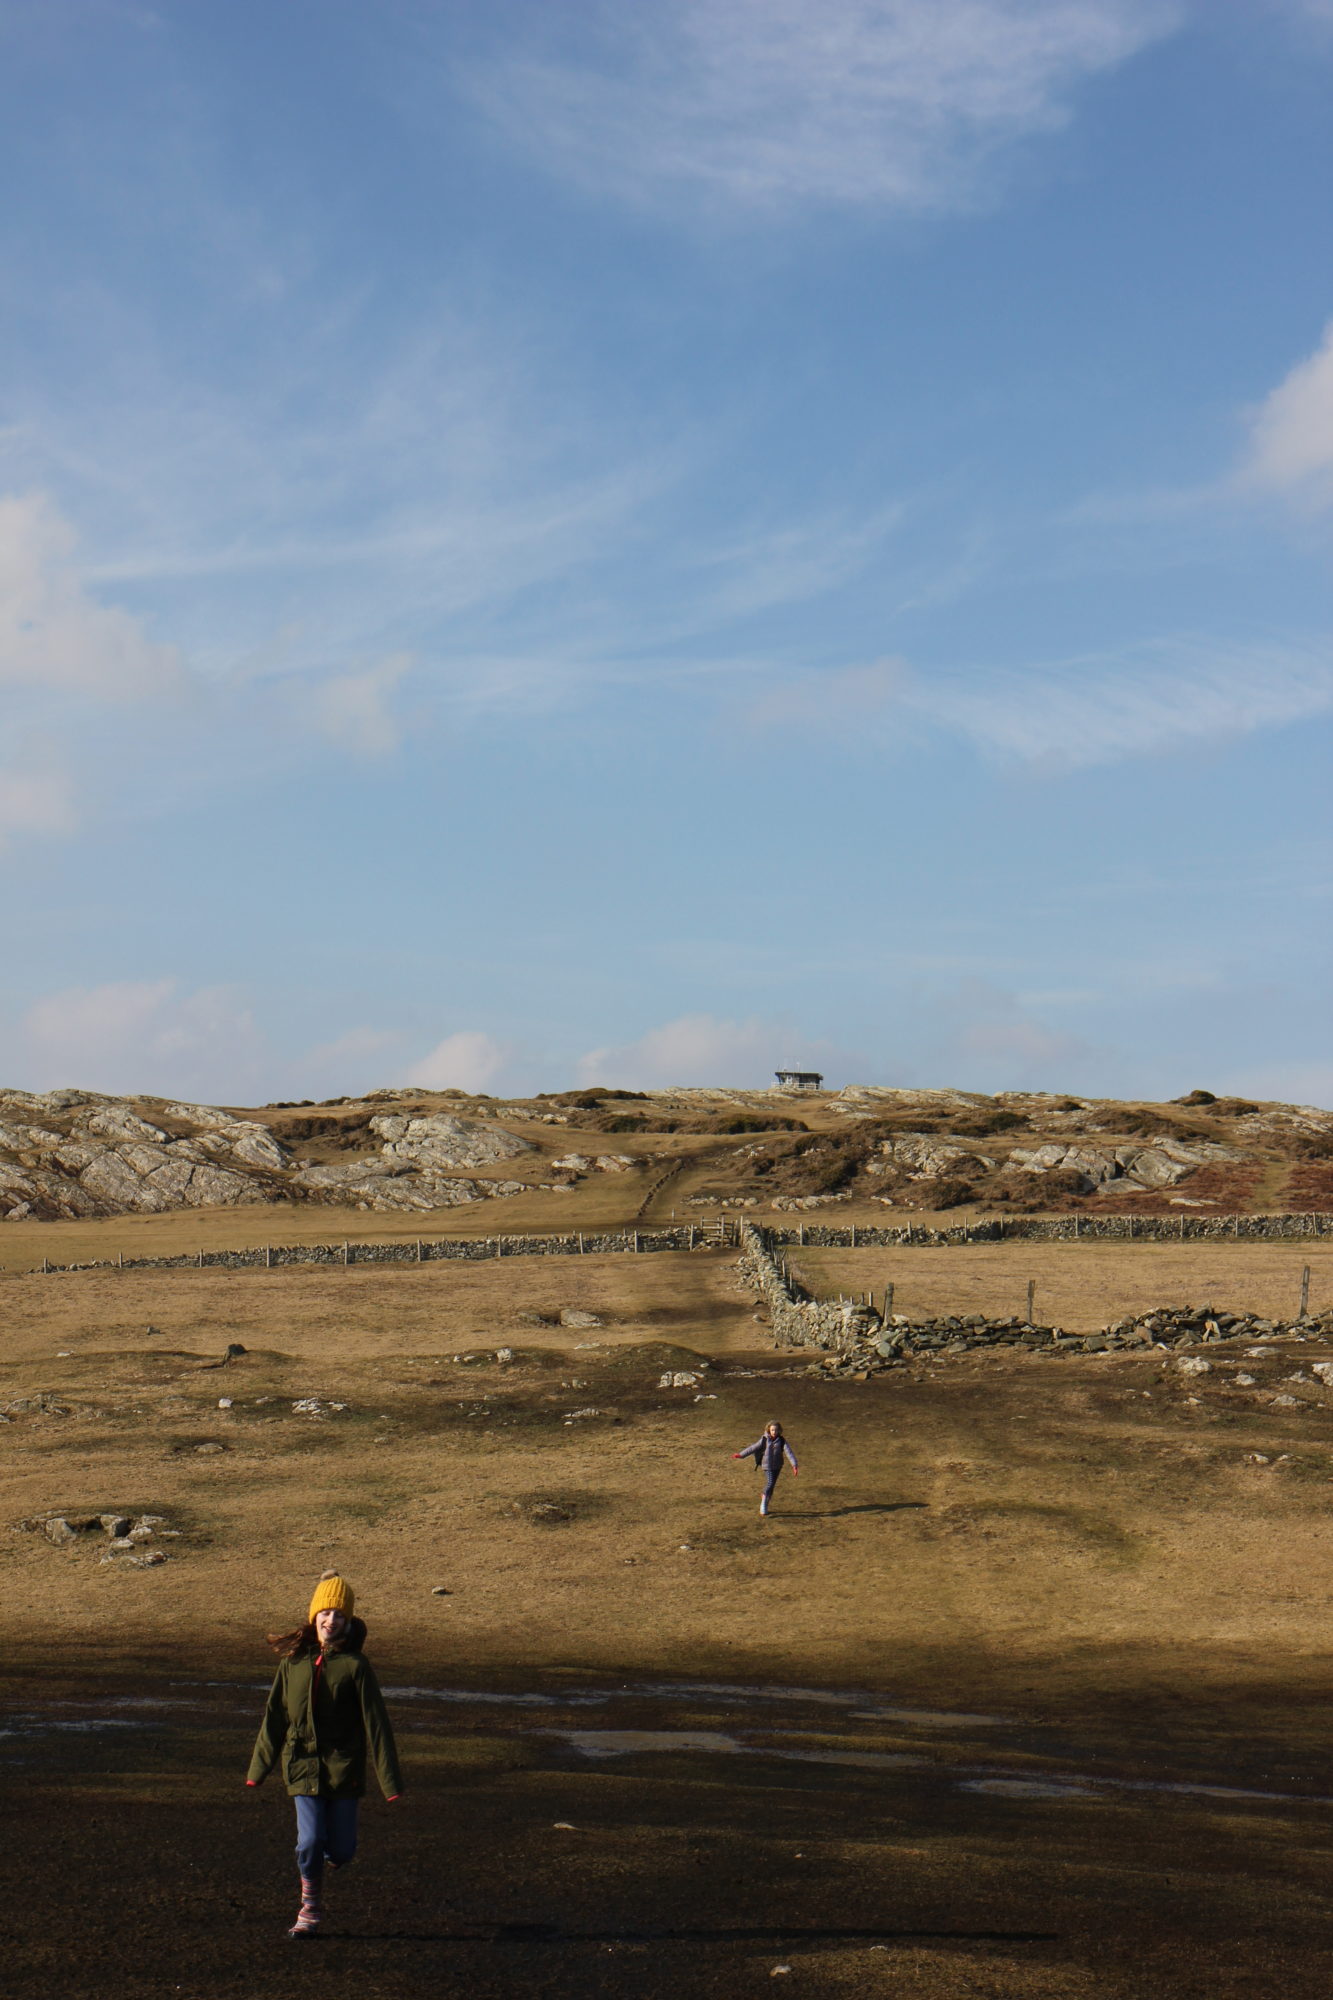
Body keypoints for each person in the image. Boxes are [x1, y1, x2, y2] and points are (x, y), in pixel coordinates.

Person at [246, 1571, 403, 1938]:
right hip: (301, 1765)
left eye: (340, 1615)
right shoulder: (292, 1665)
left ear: (348, 1622)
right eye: (326, 1612)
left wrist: (390, 1781)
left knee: (342, 1851)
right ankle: (310, 1908)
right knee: (310, 1841)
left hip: (343, 1770)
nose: (331, 1620)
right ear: (314, 1616)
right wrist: (259, 1767)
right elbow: (274, 1718)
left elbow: (376, 1724)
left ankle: (333, 1857)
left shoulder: (356, 1667)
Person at [732, 1421, 799, 1516]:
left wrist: (794, 1465)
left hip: (777, 1466)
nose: (774, 1432)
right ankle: (763, 1496)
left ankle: (765, 1504)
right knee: (770, 1482)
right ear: (769, 1430)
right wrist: (741, 1455)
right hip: (767, 1466)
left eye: (776, 1430)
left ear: (779, 1430)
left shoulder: (782, 1441)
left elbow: (789, 1452)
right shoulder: (764, 1439)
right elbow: (753, 1448)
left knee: (771, 1487)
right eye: (772, 1430)